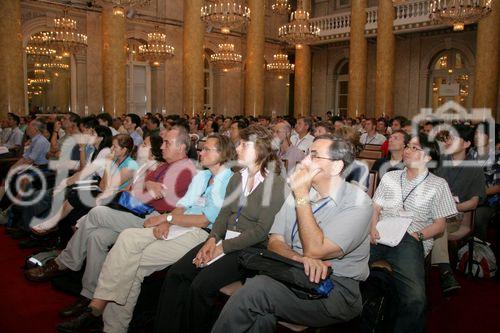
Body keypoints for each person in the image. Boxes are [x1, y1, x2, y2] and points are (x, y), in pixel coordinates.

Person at [70, 134, 235, 333]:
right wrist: (167, 221)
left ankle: (103, 316)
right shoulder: (203, 176)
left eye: (208, 149)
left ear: (223, 154)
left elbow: (204, 220)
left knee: (133, 264)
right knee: (128, 238)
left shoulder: (228, 180)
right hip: (177, 224)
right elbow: (182, 206)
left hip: (200, 234)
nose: (201, 152)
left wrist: (166, 219)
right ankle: (104, 316)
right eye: (202, 148)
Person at [25, 128, 196, 319]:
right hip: (137, 213)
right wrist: (147, 185)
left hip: (152, 219)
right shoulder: (165, 165)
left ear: (181, 147)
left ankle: (63, 262)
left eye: (167, 143)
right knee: (96, 237)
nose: (162, 146)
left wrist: (144, 188)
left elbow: (155, 200)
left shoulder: (184, 169)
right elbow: (139, 188)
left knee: (97, 212)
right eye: (162, 142)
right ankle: (88, 296)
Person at [212, 136, 373, 332]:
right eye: (306, 154)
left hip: (333, 289)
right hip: (292, 274)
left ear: (336, 167)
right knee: (259, 310)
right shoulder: (297, 193)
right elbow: (275, 241)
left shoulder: (359, 203)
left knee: (256, 290)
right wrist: (298, 259)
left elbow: (315, 250)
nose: (304, 162)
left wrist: (302, 196)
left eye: (313, 156)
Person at [153, 124, 288, 333]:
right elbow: (224, 214)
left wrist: (222, 246)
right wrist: (211, 239)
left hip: (250, 248)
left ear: (259, 148)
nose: (238, 149)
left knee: (200, 286)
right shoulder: (238, 177)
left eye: (244, 144)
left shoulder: (275, 182)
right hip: (224, 240)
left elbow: (261, 230)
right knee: (177, 272)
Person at [369, 134, 457, 332]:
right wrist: (372, 227)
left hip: (410, 238)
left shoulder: (438, 184)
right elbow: (375, 208)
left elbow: (439, 225)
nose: (407, 150)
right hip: (380, 233)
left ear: (428, 157)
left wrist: (417, 236)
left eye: (415, 148)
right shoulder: (391, 176)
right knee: (347, 270)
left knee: (415, 299)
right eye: (407, 146)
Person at [29, 133, 138, 234]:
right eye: (112, 146)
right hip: (104, 194)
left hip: (116, 200)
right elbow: (100, 184)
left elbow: (104, 187)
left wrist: (108, 165)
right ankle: (54, 225)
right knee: (75, 200)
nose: (111, 149)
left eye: (115, 147)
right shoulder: (115, 159)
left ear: (124, 150)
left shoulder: (130, 166)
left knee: (77, 197)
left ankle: (52, 223)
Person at [432, 124, 486, 294]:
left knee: (437, 227)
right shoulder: (440, 161)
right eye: (448, 138)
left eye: (454, 138)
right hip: (432, 211)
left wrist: (452, 206)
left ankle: (445, 270)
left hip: (456, 216)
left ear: (467, 144)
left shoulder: (475, 168)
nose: (448, 141)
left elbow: (474, 202)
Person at [471, 122, 500, 241]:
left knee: (477, 218)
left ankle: (480, 251)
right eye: (476, 133)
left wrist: (479, 193)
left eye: (481, 133)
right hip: (469, 197)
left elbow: (498, 187)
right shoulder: (471, 153)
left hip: (489, 202)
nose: (477, 136)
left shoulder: (497, 156)